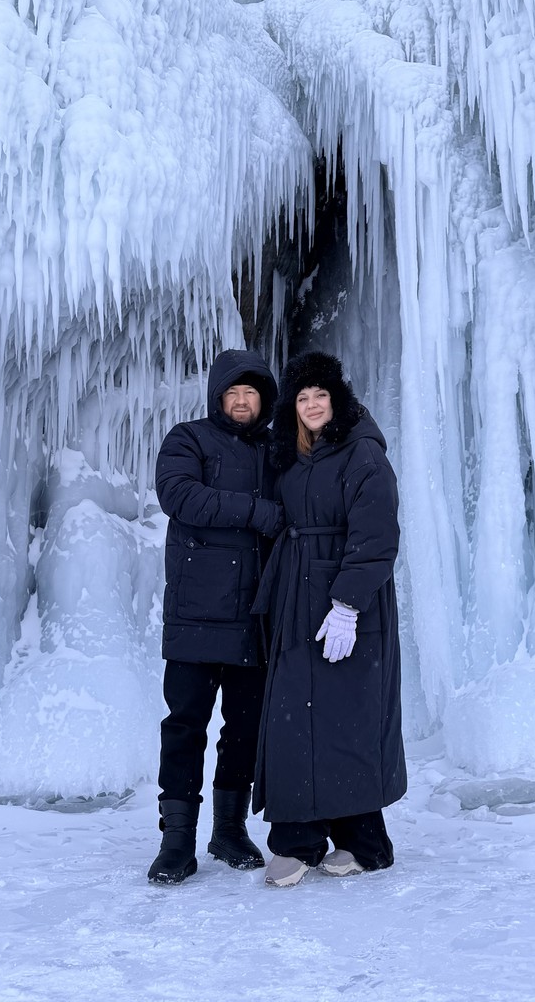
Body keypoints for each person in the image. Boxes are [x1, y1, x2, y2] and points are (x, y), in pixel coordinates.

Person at [252, 351, 406, 887]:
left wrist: (348, 606)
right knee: (294, 718)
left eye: (321, 395)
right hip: (297, 599)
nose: (313, 404)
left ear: (336, 399)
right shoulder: (293, 457)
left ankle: (365, 843)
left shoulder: (363, 453)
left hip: (347, 604)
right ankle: (298, 843)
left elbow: (377, 534)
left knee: (347, 720)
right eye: (302, 397)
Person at [149, 348, 284, 885]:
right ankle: (176, 841)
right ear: (218, 397)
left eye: (253, 393)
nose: (243, 400)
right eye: (234, 392)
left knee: (245, 730)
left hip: (255, 616)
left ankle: (228, 829)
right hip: (196, 615)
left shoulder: (278, 451)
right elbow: (178, 495)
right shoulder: (188, 439)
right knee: (185, 728)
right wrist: (255, 511)